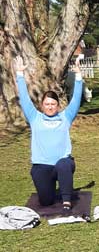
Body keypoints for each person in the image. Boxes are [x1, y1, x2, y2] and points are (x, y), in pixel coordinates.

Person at [14, 56, 83, 212]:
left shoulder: (66, 116)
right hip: (42, 166)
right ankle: (50, 189)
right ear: (42, 105)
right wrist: (19, 74)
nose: (50, 107)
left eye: (53, 104)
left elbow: (76, 100)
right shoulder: (34, 117)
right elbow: (24, 99)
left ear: (58, 106)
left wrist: (78, 76)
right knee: (46, 201)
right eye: (47, 104)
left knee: (64, 163)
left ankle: (66, 201)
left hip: (63, 163)